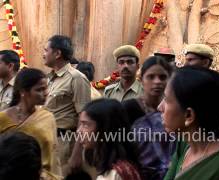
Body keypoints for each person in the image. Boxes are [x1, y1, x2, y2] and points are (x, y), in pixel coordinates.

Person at [43, 35, 91, 175]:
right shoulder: (49, 79)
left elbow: (84, 119)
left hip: (64, 143)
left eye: (46, 50)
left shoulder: (76, 78)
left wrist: (77, 153)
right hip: (47, 140)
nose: (43, 54)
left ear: (57, 53)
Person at [0, 68, 61, 178]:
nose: (46, 93)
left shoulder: (48, 117)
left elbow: (54, 154)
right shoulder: (3, 119)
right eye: (39, 90)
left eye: (46, 88)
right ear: (23, 92)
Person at [123, 56, 175, 180]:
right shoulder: (128, 108)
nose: (157, 81)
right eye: (151, 77)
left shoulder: (174, 109)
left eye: (162, 77)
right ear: (141, 80)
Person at [77, 99, 141, 180]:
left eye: (86, 125)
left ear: (104, 129)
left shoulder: (118, 174)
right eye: (81, 124)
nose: (79, 131)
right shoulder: (110, 168)